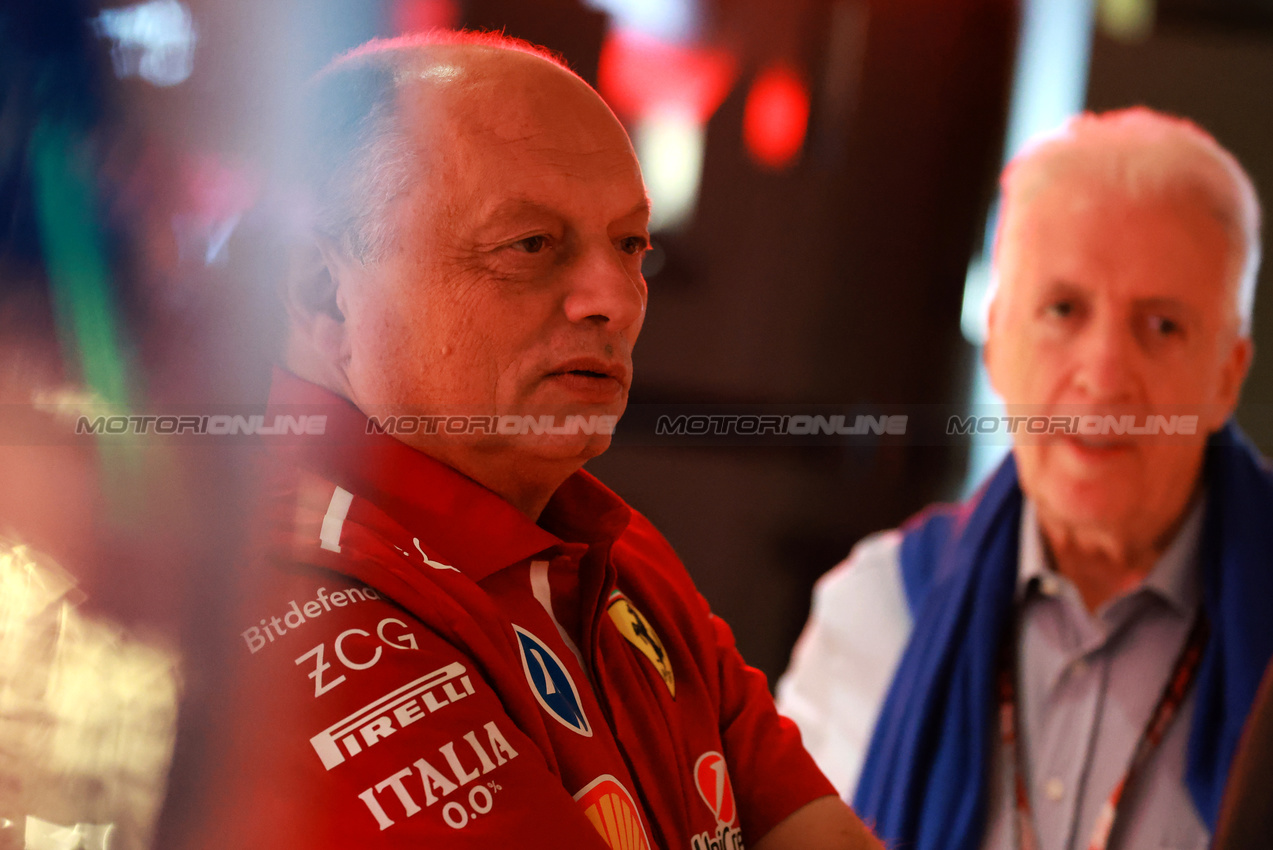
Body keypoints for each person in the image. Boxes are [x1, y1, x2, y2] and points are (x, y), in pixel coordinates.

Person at [196, 30, 881, 850]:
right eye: (528, 246)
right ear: (323, 291)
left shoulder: (610, 547)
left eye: (629, 245)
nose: (615, 301)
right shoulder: (293, 591)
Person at [777, 107, 1273, 850]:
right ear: (996, 341)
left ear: (1226, 375)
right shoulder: (873, 615)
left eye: (1161, 325)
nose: (1102, 377)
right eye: (1061, 310)